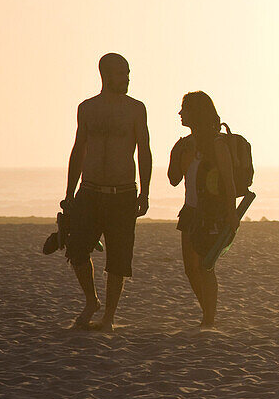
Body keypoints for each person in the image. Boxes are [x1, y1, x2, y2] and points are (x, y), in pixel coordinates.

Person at [64, 53, 151, 330]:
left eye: (128, 73)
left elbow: (144, 151)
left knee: (118, 257)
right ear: (106, 74)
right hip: (89, 191)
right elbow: (79, 150)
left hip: (123, 193)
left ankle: (109, 317)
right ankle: (92, 301)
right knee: (76, 249)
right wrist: (69, 194)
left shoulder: (136, 108)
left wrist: (145, 192)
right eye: (122, 73)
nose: (127, 78)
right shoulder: (87, 108)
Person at [167, 91, 239, 328]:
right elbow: (173, 179)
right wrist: (177, 155)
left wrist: (232, 214)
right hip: (189, 212)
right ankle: (208, 313)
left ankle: (209, 319)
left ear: (196, 113)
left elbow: (229, 182)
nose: (179, 113)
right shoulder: (185, 145)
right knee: (190, 269)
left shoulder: (217, 145)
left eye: (184, 109)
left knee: (205, 266)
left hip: (211, 214)